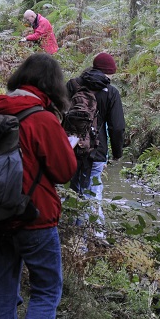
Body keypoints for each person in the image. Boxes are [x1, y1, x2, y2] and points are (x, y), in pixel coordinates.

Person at [0, 54, 77, 319]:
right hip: (35, 219)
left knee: (5, 287)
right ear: (53, 86)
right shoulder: (42, 119)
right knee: (47, 290)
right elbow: (65, 172)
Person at [67, 52, 126, 234]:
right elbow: (117, 127)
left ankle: (75, 236)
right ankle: (94, 239)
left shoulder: (72, 85)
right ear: (108, 72)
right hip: (97, 151)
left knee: (75, 191)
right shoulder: (111, 92)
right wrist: (117, 153)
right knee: (93, 193)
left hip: (71, 148)